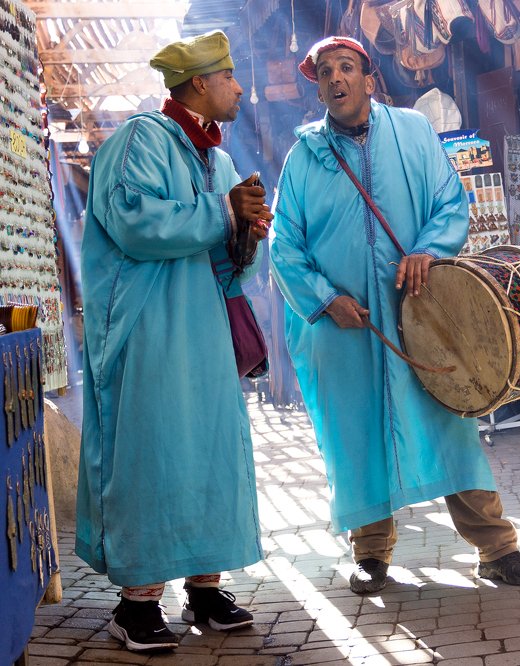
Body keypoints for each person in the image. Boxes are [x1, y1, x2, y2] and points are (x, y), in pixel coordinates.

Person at [269, 36, 520, 595]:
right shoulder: (303, 158)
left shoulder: (414, 132)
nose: (336, 78)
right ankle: (370, 553)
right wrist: (325, 300)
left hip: (419, 316)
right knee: (357, 435)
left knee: (450, 420)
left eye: (347, 67)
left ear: (369, 80)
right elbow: (284, 243)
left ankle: (497, 548)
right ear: (318, 89)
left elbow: (450, 202)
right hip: (347, 327)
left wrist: (427, 250)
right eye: (325, 72)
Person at [77, 30, 273, 652]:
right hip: (149, 328)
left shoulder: (218, 160)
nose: (239, 88)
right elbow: (136, 224)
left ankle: (205, 591)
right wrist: (225, 212)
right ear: (199, 83)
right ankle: (136, 604)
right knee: (152, 454)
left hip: (206, 332)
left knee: (211, 452)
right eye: (229, 76)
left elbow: (225, 261)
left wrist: (246, 234)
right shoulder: (141, 139)